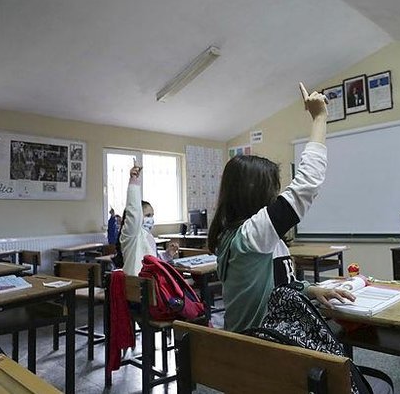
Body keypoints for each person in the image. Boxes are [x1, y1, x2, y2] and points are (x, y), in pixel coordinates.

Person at [207, 83, 355, 332]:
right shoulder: (251, 234)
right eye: (273, 187)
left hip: (272, 338)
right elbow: (307, 184)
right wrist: (319, 118)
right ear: (256, 192)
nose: (277, 193)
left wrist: (310, 289)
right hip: (260, 348)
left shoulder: (259, 236)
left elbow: (278, 284)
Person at [117, 167, 179, 275]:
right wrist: (134, 182)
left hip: (150, 284)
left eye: (152, 215)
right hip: (138, 286)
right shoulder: (131, 235)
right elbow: (133, 211)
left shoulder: (147, 236)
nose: (151, 219)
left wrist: (168, 255)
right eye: (147, 215)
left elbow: (154, 261)